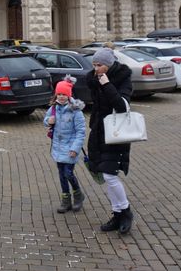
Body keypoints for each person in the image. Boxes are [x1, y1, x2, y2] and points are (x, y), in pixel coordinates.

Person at [85, 47, 135, 234]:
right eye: (94, 65)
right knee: (105, 176)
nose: (95, 68)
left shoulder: (123, 80)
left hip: (116, 134)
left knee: (110, 175)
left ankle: (126, 211)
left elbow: (122, 106)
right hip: (99, 133)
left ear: (109, 65)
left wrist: (107, 85)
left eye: (99, 65)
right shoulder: (95, 80)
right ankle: (117, 214)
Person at [43, 80, 86, 213]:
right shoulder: (54, 108)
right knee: (61, 175)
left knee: (68, 173)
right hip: (57, 147)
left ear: (69, 95)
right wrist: (48, 121)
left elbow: (81, 132)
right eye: (59, 94)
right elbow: (46, 120)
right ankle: (65, 200)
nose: (61, 96)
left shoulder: (75, 111)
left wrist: (75, 149)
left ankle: (78, 195)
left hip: (70, 149)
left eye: (64, 94)